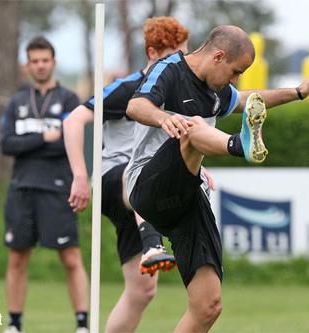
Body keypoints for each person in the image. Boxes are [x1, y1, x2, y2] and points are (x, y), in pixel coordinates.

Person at [125, 25, 309, 332]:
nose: (235, 80)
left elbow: (247, 100)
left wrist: (298, 92)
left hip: (186, 195)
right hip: (146, 185)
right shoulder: (169, 69)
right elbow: (135, 105)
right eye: (235, 71)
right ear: (218, 56)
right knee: (193, 127)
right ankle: (240, 144)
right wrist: (163, 117)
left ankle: (240, 143)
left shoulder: (215, 89)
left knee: (208, 306)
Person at [64, 17, 209, 333]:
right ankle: (152, 244)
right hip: (112, 180)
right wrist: (78, 176)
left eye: (184, 55)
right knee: (143, 177)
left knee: (142, 291)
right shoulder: (127, 90)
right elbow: (73, 120)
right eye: (174, 56)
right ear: (153, 53)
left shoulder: (175, 91)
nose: (181, 63)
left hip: (139, 195)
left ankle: (151, 244)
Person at [0, 36, 89, 333]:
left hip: (58, 187)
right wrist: (44, 138)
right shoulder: (16, 101)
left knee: (71, 257)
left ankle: (82, 324)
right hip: (22, 188)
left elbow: (68, 142)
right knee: (17, 257)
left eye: (45, 60)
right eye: (34, 61)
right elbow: (7, 144)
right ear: (27, 65)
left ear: (53, 63)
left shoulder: (68, 100)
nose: (40, 66)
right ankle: (14, 323)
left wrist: (39, 142)